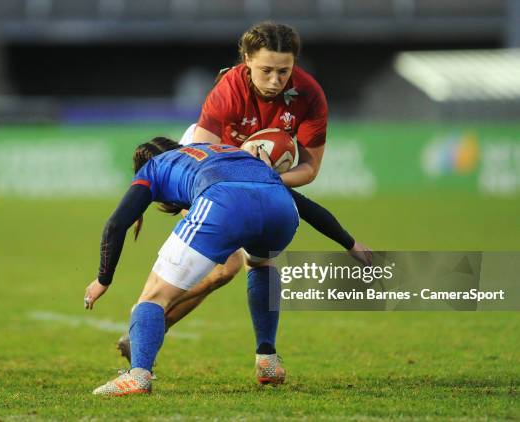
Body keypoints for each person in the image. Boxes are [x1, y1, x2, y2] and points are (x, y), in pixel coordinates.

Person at [116, 21, 372, 363]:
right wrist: (246, 173)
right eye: (266, 70)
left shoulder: (309, 95)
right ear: (246, 60)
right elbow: (205, 160)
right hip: (208, 164)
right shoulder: (228, 90)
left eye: (285, 71)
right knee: (228, 265)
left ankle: (163, 326)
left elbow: (309, 169)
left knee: (252, 261)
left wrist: (264, 181)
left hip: (254, 175)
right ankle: (149, 320)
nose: (276, 81)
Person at [85, 138, 300, 396]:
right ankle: (267, 360)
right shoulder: (214, 150)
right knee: (260, 263)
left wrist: (103, 280)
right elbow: (303, 204)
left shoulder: (154, 167)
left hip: (224, 203)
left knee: (153, 297)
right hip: (283, 208)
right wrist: (349, 242)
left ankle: (139, 375)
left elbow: (115, 225)